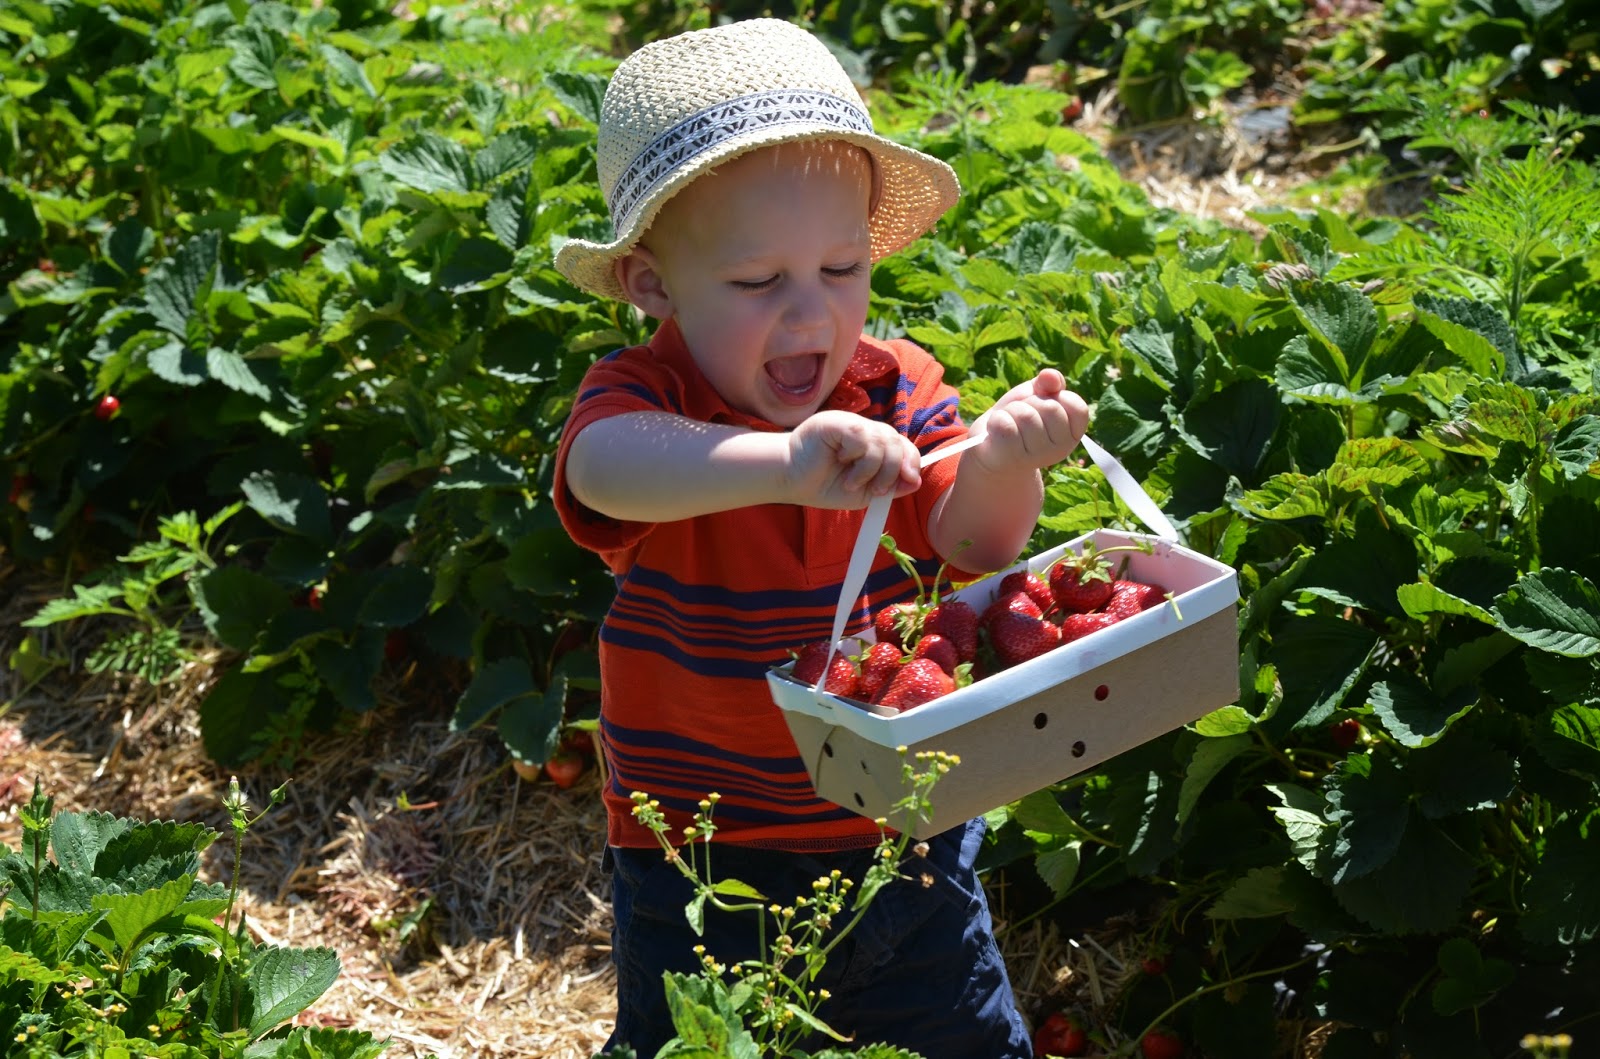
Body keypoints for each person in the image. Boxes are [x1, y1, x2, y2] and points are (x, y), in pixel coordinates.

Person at [551, 18, 1089, 1057]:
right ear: (653, 284)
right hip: (701, 855)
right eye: (759, 282)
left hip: (906, 833)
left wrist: (1003, 461)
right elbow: (600, 468)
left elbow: (975, 545)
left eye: (843, 267)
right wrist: (782, 463)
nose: (811, 314)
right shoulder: (648, 399)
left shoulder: (896, 389)